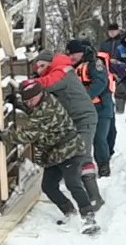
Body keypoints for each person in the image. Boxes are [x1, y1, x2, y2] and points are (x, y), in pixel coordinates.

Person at [0, 78, 99, 234]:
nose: (28, 103)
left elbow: (29, 134)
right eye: (26, 101)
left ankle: (89, 217)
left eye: (30, 100)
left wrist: (2, 136)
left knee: (72, 182)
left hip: (70, 150)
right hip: (54, 154)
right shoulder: (42, 101)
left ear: (39, 94)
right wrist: (19, 104)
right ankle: (70, 212)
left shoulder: (47, 110)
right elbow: (34, 113)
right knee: (48, 186)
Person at [30, 52, 103, 210]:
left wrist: (29, 85)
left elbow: (47, 84)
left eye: (42, 66)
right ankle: (79, 204)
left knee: (82, 155)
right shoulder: (59, 71)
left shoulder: (62, 71)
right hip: (71, 121)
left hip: (83, 119)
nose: (39, 70)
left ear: (50, 63)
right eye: (37, 67)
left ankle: (95, 197)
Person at [64, 39, 115, 177]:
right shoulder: (69, 67)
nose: (72, 57)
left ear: (81, 52)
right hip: (82, 109)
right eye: (69, 55)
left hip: (101, 107)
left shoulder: (95, 63)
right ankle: (81, 166)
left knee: (100, 138)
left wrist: (85, 97)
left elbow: (101, 82)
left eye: (74, 54)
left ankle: (103, 164)